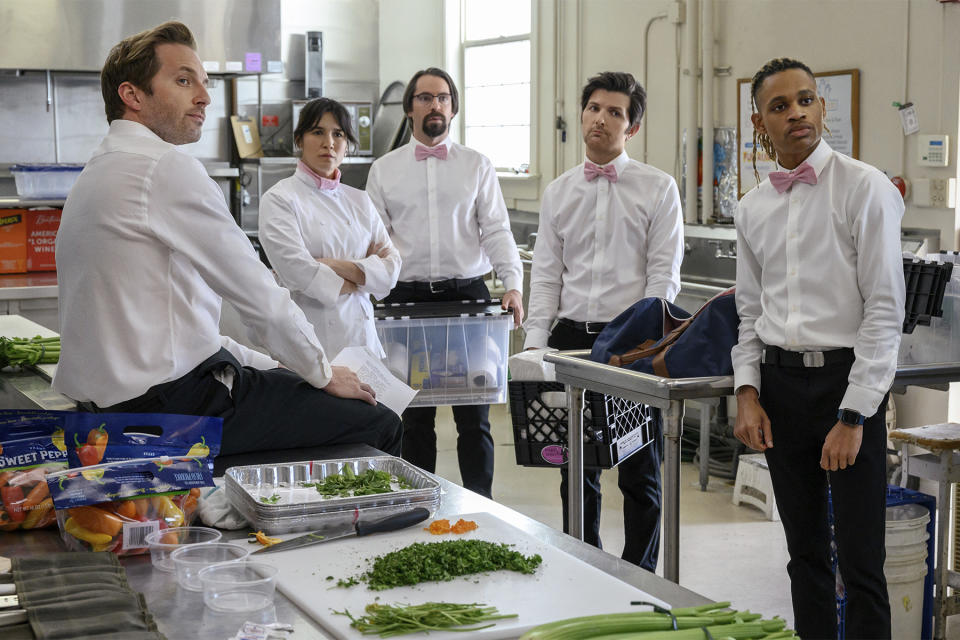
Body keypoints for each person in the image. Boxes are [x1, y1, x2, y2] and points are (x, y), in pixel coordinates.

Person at [53, 21, 402, 457]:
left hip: (108, 410)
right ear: (132, 95)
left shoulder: (98, 172)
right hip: (173, 410)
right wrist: (321, 371)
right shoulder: (164, 168)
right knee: (379, 420)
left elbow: (182, 328)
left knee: (290, 387)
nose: (204, 96)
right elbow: (257, 293)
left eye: (204, 82)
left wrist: (282, 365)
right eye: (183, 81)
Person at [732, 57, 904, 639]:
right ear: (760, 121)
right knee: (804, 556)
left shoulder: (866, 187)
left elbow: (884, 308)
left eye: (806, 100)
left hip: (846, 386)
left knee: (861, 564)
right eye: (780, 106)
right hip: (780, 391)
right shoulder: (752, 207)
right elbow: (750, 313)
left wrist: (855, 413)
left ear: (822, 108)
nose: (796, 113)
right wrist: (747, 392)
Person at [523, 71, 683, 570]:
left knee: (640, 472)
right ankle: (583, 566)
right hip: (570, 341)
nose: (601, 118)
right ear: (582, 113)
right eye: (594, 107)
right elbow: (546, 278)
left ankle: (640, 576)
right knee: (576, 467)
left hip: (629, 346)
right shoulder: (558, 192)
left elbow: (663, 281)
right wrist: (533, 347)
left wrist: (644, 348)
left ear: (631, 127)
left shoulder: (658, 188)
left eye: (615, 112)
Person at [366, 67, 524, 499]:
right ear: (409, 108)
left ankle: (484, 505)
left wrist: (512, 282)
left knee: (474, 414)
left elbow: (496, 230)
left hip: (467, 297)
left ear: (453, 108)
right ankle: (420, 501)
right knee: (412, 413)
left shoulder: (477, 165)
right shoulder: (384, 170)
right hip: (405, 300)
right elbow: (374, 242)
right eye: (424, 97)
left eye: (441, 98)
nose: (434, 105)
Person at [258, 98, 401, 360]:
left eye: (338, 134)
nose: (329, 143)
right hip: (312, 346)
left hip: (364, 342)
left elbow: (391, 270)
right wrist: (365, 276)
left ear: (347, 145)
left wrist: (328, 264)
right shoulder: (280, 199)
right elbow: (298, 272)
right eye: (317, 132)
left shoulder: (360, 200)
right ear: (299, 139)